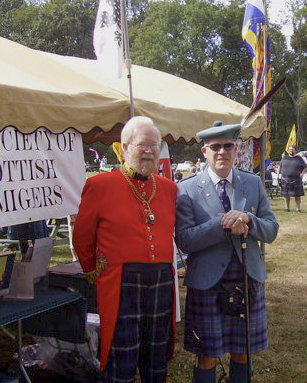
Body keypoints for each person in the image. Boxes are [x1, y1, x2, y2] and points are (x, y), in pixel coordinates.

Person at [73, 116, 177, 381]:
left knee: (156, 353)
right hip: (121, 283)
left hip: (162, 279)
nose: (149, 151)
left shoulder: (169, 188)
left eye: (154, 145)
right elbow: (82, 239)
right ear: (125, 146)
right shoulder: (99, 186)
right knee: (122, 355)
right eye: (143, 145)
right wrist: (95, 272)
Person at [175, 121, 278, 383]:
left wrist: (248, 220)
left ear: (235, 149)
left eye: (228, 146)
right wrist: (222, 224)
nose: (222, 152)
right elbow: (184, 240)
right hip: (207, 282)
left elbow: (271, 230)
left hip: (247, 278)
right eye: (215, 147)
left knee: (243, 352)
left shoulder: (252, 183)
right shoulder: (186, 189)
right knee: (207, 355)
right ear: (205, 152)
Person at [279, 145, 307, 212]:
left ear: (295, 150)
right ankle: (287, 208)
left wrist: (302, 173)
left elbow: (306, 167)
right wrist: (278, 175)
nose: (291, 151)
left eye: (292, 149)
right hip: (285, 179)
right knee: (286, 195)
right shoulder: (284, 158)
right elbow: (279, 167)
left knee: (297, 195)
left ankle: (298, 208)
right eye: (290, 149)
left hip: (296, 179)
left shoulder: (299, 158)